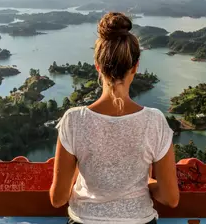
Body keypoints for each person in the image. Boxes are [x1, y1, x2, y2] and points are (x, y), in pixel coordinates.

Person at [50, 12, 180, 223]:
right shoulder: (154, 121)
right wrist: (144, 183)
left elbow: (58, 199)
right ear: (136, 67)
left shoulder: (73, 120)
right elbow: (170, 198)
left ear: (98, 67)